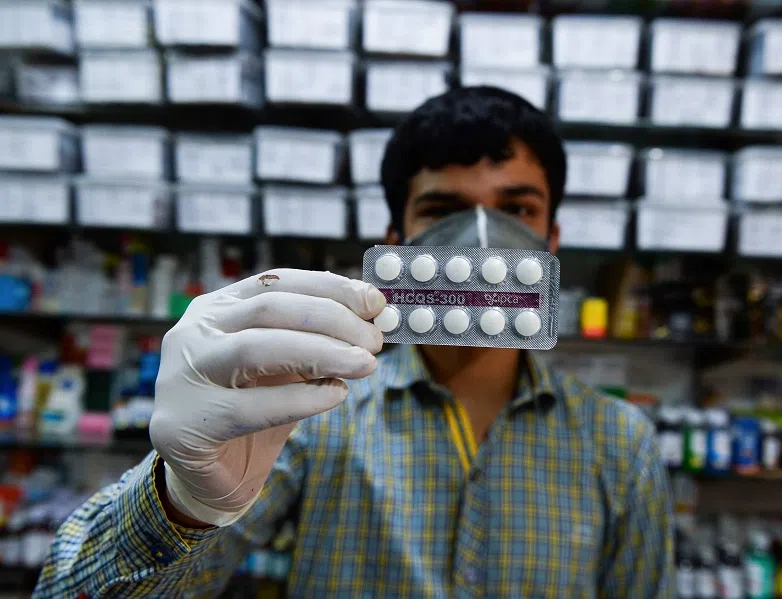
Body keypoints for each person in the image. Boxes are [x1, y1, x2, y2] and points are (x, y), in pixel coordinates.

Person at [35, 87, 674, 598]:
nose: (482, 240)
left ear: (551, 240)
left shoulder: (620, 444)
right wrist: (184, 503)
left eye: (518, 209)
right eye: (442, 209)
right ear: (396, 240)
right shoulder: (312, 417)